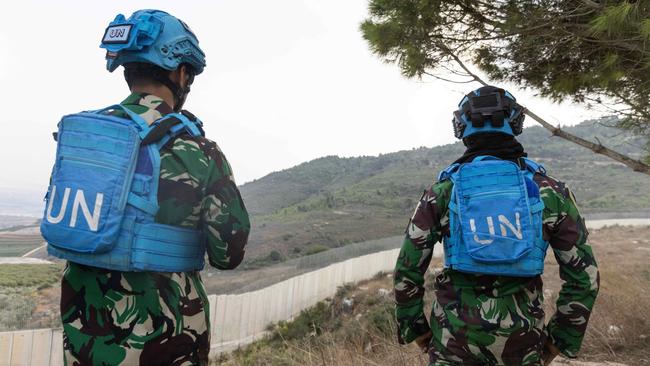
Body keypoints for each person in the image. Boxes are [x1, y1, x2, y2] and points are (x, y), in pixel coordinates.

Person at [40, 10, 250, 365]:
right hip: (167, 341)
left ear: (127, 69)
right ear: (181, 73)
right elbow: (228, 255)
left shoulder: (84, 140)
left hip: (85, 344)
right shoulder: (198, 151)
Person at [393, 86, 599, 366]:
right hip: (523, 345)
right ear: (515, 123)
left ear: (461, 127)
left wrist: (417, 331)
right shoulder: (551, 192)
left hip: (452, 343)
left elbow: (407, 271)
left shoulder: (443, 192)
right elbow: (584, 278)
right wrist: (557, 341)